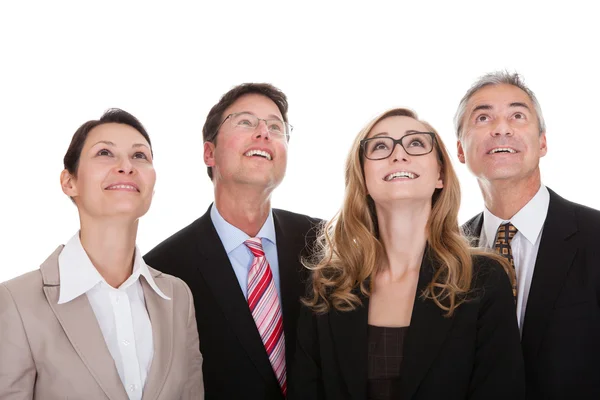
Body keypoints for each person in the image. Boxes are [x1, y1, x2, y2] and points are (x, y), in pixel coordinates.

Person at [288, 108, 525, 400]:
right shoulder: (327, 286)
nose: (398, 155)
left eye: (415, 143)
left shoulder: (484, 280)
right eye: (380, 146)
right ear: (362, 178)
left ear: (440, 174)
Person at [0, 109, 203, 399]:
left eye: (140, 156)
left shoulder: (177, 297)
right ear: (69, 182)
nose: (126, 166)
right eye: (105, 153)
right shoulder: (15, 302)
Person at [144, 83, 320, 400]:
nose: (264, 133)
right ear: (209, 153)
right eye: (246, 122)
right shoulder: (162, 271)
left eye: (276, 127)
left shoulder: (326, 246)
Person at [456, 71, 600, 399]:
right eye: (482, 117)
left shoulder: (595, 237)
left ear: (543, 142)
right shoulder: (448, 255)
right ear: (461, 151)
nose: (501, 128)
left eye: (517, 116)